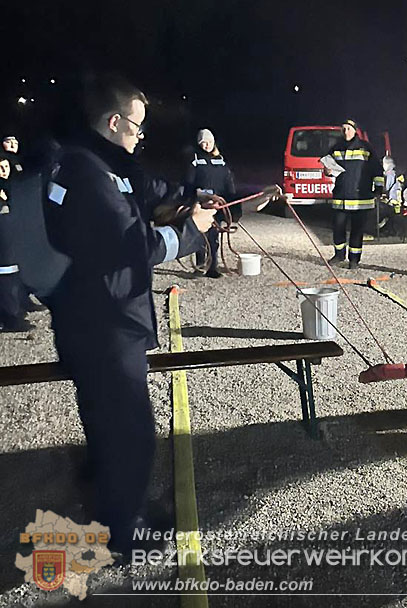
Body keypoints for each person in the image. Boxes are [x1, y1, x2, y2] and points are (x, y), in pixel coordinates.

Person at [43, 74, 216, 553]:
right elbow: (130, 246)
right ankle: (125, 528)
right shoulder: (85, 173)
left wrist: (189, 199)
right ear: (114, 122)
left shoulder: (98, 162)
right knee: (129, 430)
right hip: (105, 322)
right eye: (137, 128)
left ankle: (111, 505)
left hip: (102, 316)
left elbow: (144, 190)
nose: (141, 137)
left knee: (108, 423)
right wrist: (191, 233)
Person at [323, 119, 383, 269]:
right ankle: (339, 255)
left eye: (349, 129)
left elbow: (377, 169)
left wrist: (379, 188)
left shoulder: (365, 148)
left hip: (360, 199)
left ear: (356, 131)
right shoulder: (336, 148)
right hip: (341, 197)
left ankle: (354, 260)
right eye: (343, 129)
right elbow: (327, 166)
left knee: (357, 231)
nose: (346, 132)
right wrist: (327, 171)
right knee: (338, 228)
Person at [184, 128, 237, 278]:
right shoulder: (195, 161)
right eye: (203, 143)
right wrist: (198, 196)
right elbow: (189, 183)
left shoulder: (221, 161)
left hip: (218, 206)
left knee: (213, 238)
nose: (206, 145)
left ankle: (213, 267)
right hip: (201, 205)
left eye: (208, 142)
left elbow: (228, 181)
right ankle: (200, 266)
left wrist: (231, 199)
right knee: (201, 237)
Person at [0, 153, 32, 331]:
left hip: (12, 238)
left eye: (6, 167)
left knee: (13, 276)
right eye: (0, 168)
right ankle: (10, 317)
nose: (4, 172)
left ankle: (18, 307)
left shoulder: (13, 184)